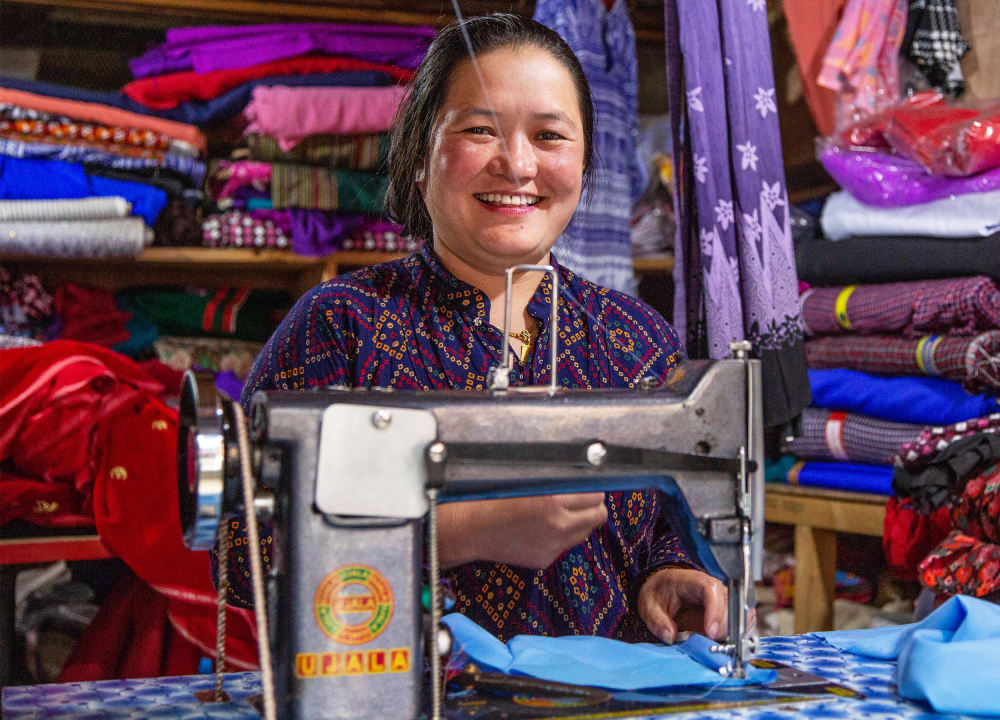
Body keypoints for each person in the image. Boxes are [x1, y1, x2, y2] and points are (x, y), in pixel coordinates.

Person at [223, 13, 729, 645]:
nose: (517, 165)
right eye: (480, 130)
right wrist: (463, 531)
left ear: (585, 164)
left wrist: (670, 573)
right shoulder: (339, 324)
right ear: (417, 160)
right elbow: (240, 553)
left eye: (549, 136)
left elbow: (662, 526)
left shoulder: (636, 336)